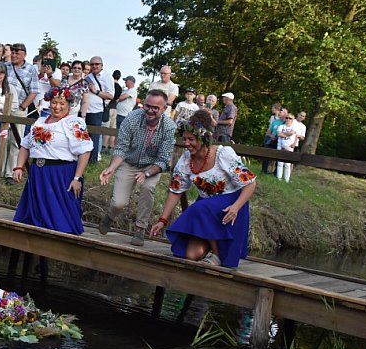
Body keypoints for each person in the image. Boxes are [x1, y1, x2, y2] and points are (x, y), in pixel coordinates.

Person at [150, 109, 257, 268]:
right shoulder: (186, 159)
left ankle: (218, 254)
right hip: (207, 210)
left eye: (191, 139)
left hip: (230, 204)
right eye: (184, 139)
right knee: (191, 255)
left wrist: (236, 207)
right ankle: (213, 249)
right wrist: (162, 220)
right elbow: (176, 189)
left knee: (199, 208)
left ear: (204, 137)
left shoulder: (223, 154)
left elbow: (250, 183)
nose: (186, 144)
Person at [98, 89, 177, 245]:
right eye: (148, 106)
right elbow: (121, 148)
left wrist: (146, 173)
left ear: (164, 109)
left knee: (148, 189)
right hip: (129, 162)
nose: (150, 110)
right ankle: (110, 216)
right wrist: (112, 168)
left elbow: (163, 160)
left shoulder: (169, 127)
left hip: (152, 166)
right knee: (119, 202)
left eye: (156, 108)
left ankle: (140, 229)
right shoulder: (132, 118)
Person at [12, 87, 93, 235]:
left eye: (62, 103)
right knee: (35, 218)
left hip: (60, 174)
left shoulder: (74, 123)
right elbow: (25, 145)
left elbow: (85, 151)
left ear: (69, 104)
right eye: (54, 103)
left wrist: (77, 178)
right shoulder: (40, 121)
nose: (57, 107)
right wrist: (19, 167)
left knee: (60, 220)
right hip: (39, 174)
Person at [3, 42, 39, 185]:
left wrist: (23, 106)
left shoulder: (31, 69)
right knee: (1, 139)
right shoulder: (5, 66)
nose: (14, 55)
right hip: (3, 107)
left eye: (17, 52)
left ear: (24, 54)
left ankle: (10, 173)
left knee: (16, 141)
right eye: (12, 52)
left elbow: (34, 90)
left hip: (18, 108)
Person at [84, 55, 114, 163]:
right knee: (84, 136)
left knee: (94, 137)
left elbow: (111, 96)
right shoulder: (88, 76)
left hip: (97, 111)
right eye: (92, 64)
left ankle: (92, 161)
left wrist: (96, 91)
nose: (94, 66)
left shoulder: (107, 77)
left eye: (97, 64)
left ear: (102, 65)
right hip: (85, 110)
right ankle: (83, 159)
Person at [101, 69, 123, 155]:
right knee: (113, 129)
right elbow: (117, 99)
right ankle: (110, 148)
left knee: (106, 129)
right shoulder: (120, 88)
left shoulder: (111, 85)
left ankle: (103, 147)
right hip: (115, 108)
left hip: (108, 108)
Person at [276, 113, 298, 182]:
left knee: (287, 164)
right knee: (280, 163)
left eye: (290, 118)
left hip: (289, 146)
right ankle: (278, 178)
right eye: (287, 118)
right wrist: (286, 135)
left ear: (293, 119)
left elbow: (292, 133)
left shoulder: (294, 127)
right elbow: (278, 134)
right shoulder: (281, 126)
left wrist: (283, 134)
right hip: (280, 146)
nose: (288, 119)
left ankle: (286, 180)